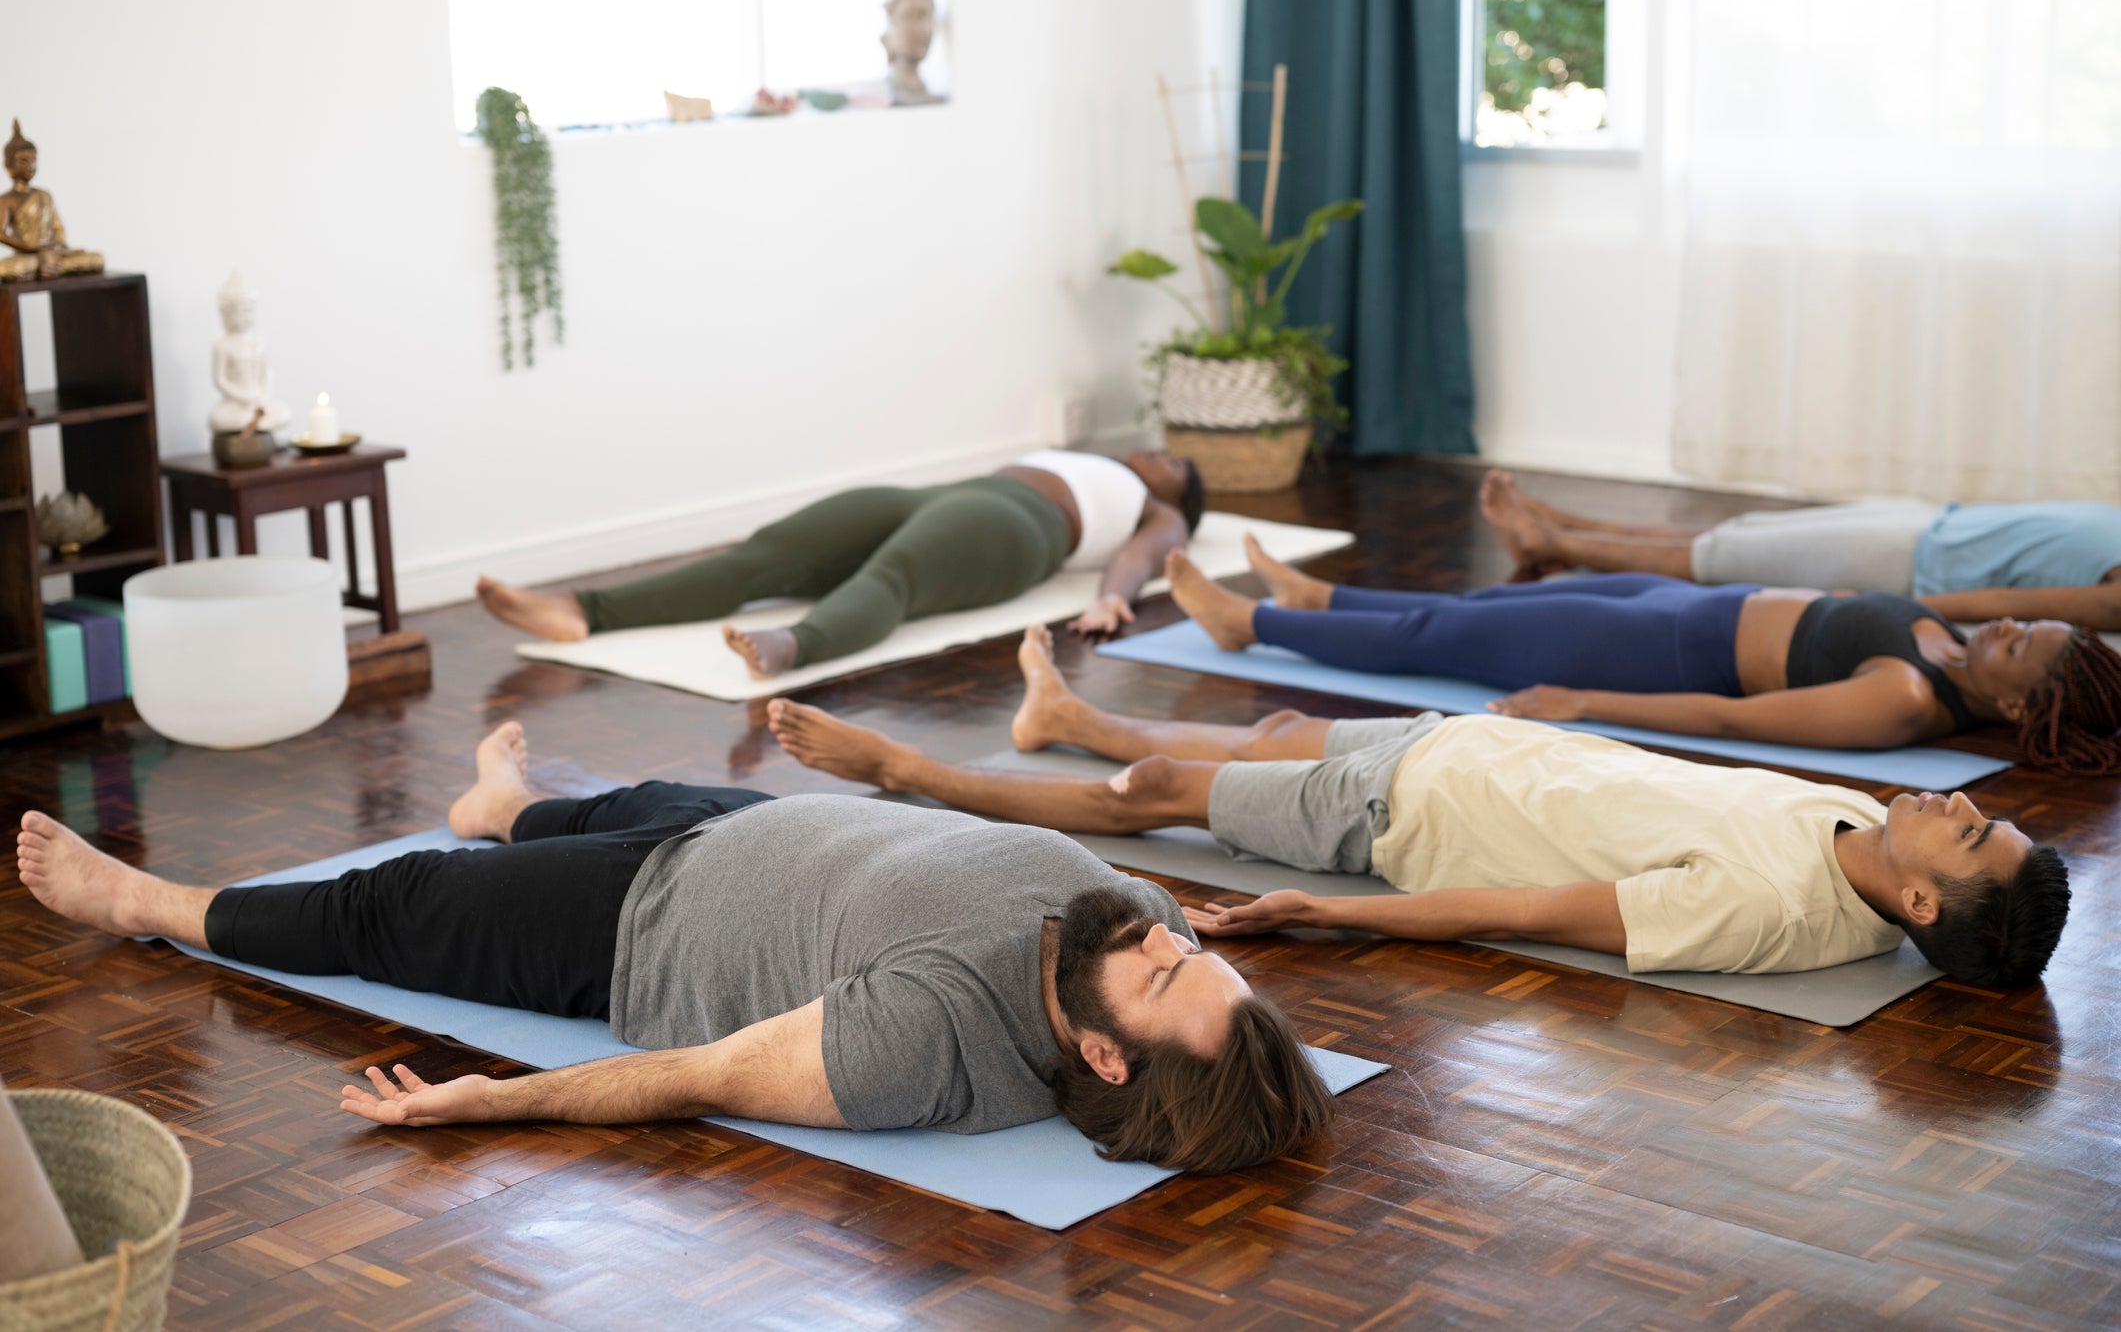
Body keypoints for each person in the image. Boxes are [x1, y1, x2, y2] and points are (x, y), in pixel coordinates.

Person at [12, 722, 1332, 1173]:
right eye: (1188, 945)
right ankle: (502, 804)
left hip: (635, 923)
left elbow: (695, 1074)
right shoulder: (1127, 930)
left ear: (1098, 1050)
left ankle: (147, 901)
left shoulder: (925, 1041)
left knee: (390, 902)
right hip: (749, 826)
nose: (1163, 931)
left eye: (1163, 970)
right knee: (600, 797)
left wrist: (497, 1104)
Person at [764, 628, 2072, 986]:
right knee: (1273, 727)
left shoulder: (1764, 910)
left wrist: (1343, 920)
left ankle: (914, 773)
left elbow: (1534, 910)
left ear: (1921, 899)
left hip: (1404, 816)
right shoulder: (1857, 827)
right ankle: (1074, 717)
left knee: (1159, 796)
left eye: (1961, 830)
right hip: (1460, 748)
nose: (1942, 804)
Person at [1154, 534, 2121, 775]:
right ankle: (1321, 596)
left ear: (2016, 709)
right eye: (2021, 625)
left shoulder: (1904, 700)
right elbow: (1997, 599)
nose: (2004, 629)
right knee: (1489, 603)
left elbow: (1732, 719)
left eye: (2019, 648)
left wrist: (1584, 702)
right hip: (1687, 604)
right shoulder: (1948, 639)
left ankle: (1251, 625)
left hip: (1657, 651)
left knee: (1446, 640)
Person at [477, 449, 1206, 678]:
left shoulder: (1158, 510)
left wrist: (1113, 598)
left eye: (1172, 465)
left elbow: (1142, 557)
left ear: (1179, 497)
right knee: (766, 555)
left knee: (891, 578)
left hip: (1013, 529)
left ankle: (794, 644)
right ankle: (584, 611)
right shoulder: (1091, 452)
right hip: (940, 494)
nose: (1154, 456)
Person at [1480, 469, 2121, 632]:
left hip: (1907, 562)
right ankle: (1560, 528)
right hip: (1931, 525)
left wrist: (1879, 605)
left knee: (1720, 557)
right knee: (1738, 535)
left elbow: (2003, 602)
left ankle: (1554, 539)